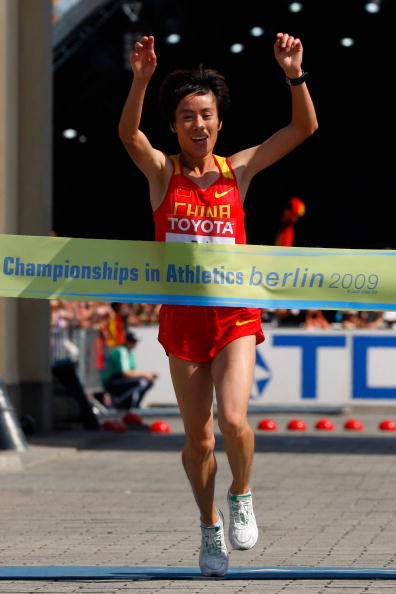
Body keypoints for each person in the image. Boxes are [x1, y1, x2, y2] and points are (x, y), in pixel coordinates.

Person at [119, 33, 318, 576]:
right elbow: (127, 134)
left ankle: (243, 495)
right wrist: (140, 79)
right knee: (198, 437)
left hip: (234, 317)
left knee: (233, 419)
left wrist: (293, 74)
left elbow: (303, 129)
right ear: (176, 125)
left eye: (205, 115)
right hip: (183, 323)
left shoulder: (239, 170)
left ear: (219, 123)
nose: (197, 124)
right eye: (187, 115)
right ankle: (209, 528)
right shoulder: (164, 175)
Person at [101, 329, 157, 409]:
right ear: (127, 341)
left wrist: (147, 375)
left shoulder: (129, 352)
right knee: (142, 382)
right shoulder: (122, 351)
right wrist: (145, 375)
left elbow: (132, 371)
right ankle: (119, 402)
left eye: (135, 341)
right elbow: (125, 373)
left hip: (118, 379)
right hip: (111, 381)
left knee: (148, 382)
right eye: (133, 341)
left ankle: (131, 404)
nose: (135, 344)